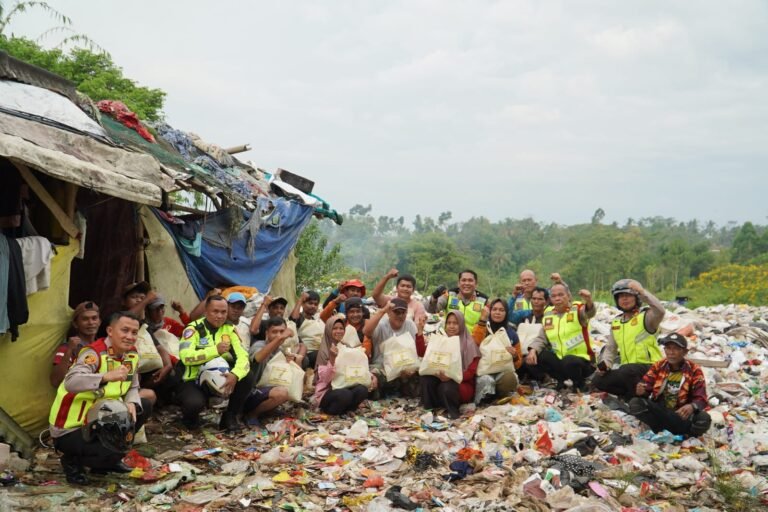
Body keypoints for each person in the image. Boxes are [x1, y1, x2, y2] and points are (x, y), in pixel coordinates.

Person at [48, 312, 153, 484]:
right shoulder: (94, 353)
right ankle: (72, 461)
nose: (130, 337)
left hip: (100, 417)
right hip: (71, 427)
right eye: (125, 330)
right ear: (110, 331)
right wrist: (104, 377)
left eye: (134, 332)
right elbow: (71, 382)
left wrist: (131, 402)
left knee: (143, 406)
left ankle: (107, 463)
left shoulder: (131, 355)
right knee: (109, 442)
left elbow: (133, 386)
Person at [174, 295, 253, 432]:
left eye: (223, 312)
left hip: (219, 376)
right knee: (194, 404)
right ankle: (190, 418)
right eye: (215, 311)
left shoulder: (229, 329)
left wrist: (235, 374)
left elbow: (243, 356)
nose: (220, 316)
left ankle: (230, 416)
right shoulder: (193, 329)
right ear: (206, 311)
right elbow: (186, 357)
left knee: (247, 376)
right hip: (192, 379)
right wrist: (214, 350)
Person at [592, 279, 665, 399]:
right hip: (629, 371)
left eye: (628, 295)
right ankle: (629, 397)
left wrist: (642, 291)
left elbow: (660, 311)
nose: (624, 299)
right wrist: (606, 365)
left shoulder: (646, 317)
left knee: (627, 370)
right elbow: (610, 348)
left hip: (650, 367)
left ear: (637, 298)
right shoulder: (616, 322)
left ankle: (640, 399)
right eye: (621, 296)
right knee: (598, 380)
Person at [629, 333, 711, 437]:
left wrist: (691, 406)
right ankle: (659, 431)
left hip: (681, 415)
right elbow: (646, 386)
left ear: (685, 352)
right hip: (661, 412)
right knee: (636, 403)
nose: (671, 352)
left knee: (704, 419)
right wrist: (641, 391)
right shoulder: (658, 366)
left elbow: (701, 398)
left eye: (676, 349)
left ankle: (685, 436)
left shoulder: (694, 370)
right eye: (668, 348)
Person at [525, 283, 596, 391]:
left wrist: (589, 301)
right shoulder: (548, 314)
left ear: (568, 296)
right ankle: (562, 381)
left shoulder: (577, 309)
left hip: (582, 361)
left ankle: (580, 384)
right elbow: (541, 338)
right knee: (539, 356)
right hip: (560, 360)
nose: (557, 298)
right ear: (550, 299)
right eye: (553, 296)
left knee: (569, 361)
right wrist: (533, 350)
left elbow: (589, 313)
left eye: (561, 295)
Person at [420, 310, 480, 419]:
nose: (451, 326)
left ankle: (453, 413)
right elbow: (425, 355)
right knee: (426, 379)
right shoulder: (441, 340)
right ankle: (429, 410)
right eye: (449, 323)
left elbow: (470, 372)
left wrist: (451, 376)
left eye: (455, 323)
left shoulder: (469, 344)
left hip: (461, 382)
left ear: (461, 324)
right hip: (441, 378)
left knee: (446, 387)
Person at [312, 315, 377, 415]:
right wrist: (332, 359)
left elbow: (355, 366)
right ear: (328, 330)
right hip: (327, 392)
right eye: (334, 328)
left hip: (345, 385)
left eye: (341, 328)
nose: (338, 331)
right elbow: (325, 379)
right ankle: (331, 411)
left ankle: (347, 410)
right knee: (344, 394)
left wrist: (371, 376)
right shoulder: (325, 350)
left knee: (362, 389)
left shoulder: (345, 348)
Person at [362, 298, 426, 398]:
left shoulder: (410, 324)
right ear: (389, 313)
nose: (400, 316)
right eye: (397, 312)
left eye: (403, 312)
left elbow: (414, 351)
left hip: (404, 366)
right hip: (382, 367)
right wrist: (383, 310)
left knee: (421, 377)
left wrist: (410, 368)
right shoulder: (381, 324)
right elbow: (366, 331)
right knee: (372, 381)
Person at [244, 317, 292, 427]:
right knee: (281, 393)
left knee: (290, 388)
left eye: (282, 332)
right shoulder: (259, 345)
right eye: (274, 332)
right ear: (267, 333)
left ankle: (268, 410)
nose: (278, 335)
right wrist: (280, 338)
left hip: (267, 389)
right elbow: (258, 358)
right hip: (251, 392)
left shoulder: (280, 350)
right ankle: (252, 414)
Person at [472, 299, 521, 403]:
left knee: (510, 378)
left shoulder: (511, 333)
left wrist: (515, 356)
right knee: (486, 381)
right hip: (484, 372)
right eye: (494, 309)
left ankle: (499, 398)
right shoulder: (482, 327)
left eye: (501, 310)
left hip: (502, 372)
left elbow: (518, 364)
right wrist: (482, 321)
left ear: (506, 313)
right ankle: (485, 401)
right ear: (490, 311)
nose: (497, 312)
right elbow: (474, 344)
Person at [50, 301, 101, 388]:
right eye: (85, 319)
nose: (91, 322)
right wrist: (69, 350)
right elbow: (56, 381)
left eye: (94, 318)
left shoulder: (104, 346)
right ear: (75, 324)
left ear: (99, 322)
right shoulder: (67, 347)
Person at [249, 295, 306, 365]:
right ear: (267, 333)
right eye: (275, 308)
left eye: (282, 308)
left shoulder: (288, 325)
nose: (279, 311)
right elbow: (253, 330)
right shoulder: (264, 324)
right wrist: (264, 304)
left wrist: (298, 358)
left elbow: (301, 344)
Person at [289, 291, 325, 368]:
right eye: (310, 303)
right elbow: (292, 321)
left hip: (320, 352)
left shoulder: (319, 321)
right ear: (303, 304)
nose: (313, 306)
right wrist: (300, 300)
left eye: (315, 304)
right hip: (304, 354)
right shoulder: (300, 318)